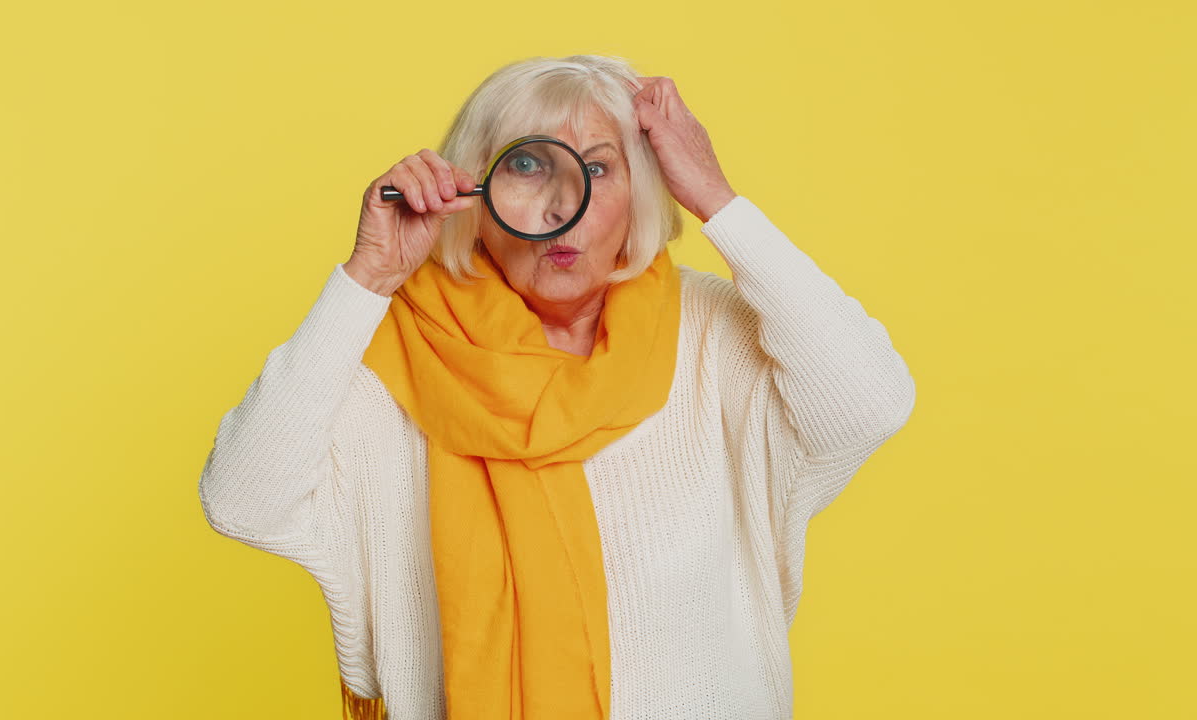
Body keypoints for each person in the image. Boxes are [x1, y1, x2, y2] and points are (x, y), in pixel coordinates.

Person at [198, 54, 915, 720]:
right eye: (526, 165)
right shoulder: (397, 360)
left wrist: (718, 202)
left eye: (598, 168)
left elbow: (872, 402)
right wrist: (368, 278)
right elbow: (240, 500)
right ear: (471, 193)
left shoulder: (711, 334)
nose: (559, 205)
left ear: (641, 192)